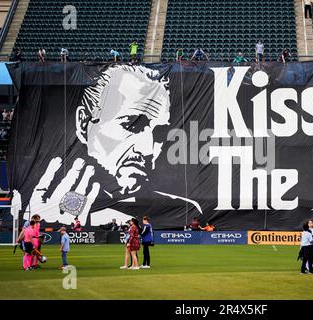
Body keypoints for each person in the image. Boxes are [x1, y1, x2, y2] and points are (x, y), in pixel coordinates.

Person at [15, 64, 203, 227]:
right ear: (83, 123)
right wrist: (48, 227)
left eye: (160, 133)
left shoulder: (179, 206)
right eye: (132, 124)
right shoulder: (30, 200)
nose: (147, 149)